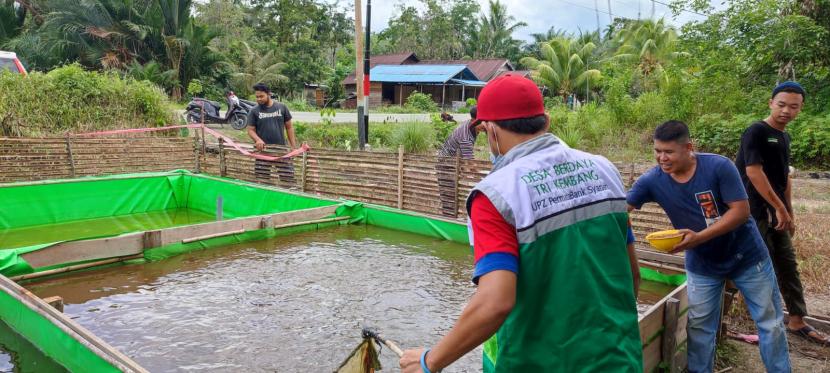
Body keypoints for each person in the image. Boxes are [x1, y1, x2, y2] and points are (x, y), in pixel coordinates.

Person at [400, 74, 643, 372]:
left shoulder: (495, 194)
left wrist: (430, 361)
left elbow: (495, 302)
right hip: (618, 358)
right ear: (547, 120)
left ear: (490, 130)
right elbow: (631, 275)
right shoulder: (604, 169)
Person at [628, 120, 791, 373]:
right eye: (657, 151)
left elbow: (740, 212)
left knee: (770, 323)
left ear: (688, 147)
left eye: (669, 151)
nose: (662, 158)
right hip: (703, 263)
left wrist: (698, 237)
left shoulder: (718, 167)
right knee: (700, 328)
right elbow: (620, 210)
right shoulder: (653, 180)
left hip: (746, 257)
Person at [735, 81, 828, 345]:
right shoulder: (756, 131)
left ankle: (797, 319)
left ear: (800, 109)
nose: (787, 110)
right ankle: (764, 324)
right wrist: (777, 208)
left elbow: (785, 178)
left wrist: (789, 212)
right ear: (771, 103)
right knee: (762, 268)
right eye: (782, 104)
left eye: (794, 106)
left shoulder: (784, 136)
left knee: (788, 263)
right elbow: (754, 172)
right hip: (753, 211)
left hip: (777, 212)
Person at [434, 107, 484, 217]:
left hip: (453, 164)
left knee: (453, 197)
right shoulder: (465, 135)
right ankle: (448, 221)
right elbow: (470, 163)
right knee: (449, 198)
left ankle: (450, 217)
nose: (487, 124)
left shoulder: (472, 126)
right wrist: (482, 177)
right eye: (485, 121)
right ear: (475, 121)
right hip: (445, 165)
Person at [246, 83, 296, 185]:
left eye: (261, 96)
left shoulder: (281, 107)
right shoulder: (254, 111)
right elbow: (250, 130)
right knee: (262, 180)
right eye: (257, 97)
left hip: (281, 149)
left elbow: (289, 127)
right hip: (263, 151)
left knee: (288, 179)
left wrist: (293, 146)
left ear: (268, 94)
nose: (259, 99)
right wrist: (258, 140)